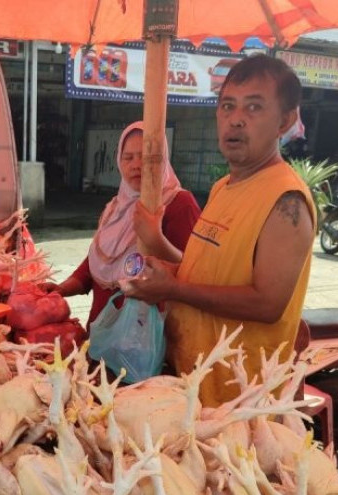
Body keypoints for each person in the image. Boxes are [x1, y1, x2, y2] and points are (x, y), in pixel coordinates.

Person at [123, 54, 316, 407]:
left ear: (285, 120)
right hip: (192, 380)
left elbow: (267, 303)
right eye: (227, 106)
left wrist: (175, 288)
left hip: (237, 400)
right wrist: (165, 260)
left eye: (254, 107)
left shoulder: (286, 202)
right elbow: (209, 270)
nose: (236, 120)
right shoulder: (223, 187)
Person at [49, 121, 201, 329]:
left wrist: (155, 240)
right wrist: (61, 289)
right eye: (128, 157)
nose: (136, 165)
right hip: (101, 335)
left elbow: (193, 273)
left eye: (146, 158)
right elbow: (98, 260)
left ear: (162, 160)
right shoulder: (116, 206)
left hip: (147, 343)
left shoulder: (179, 204)